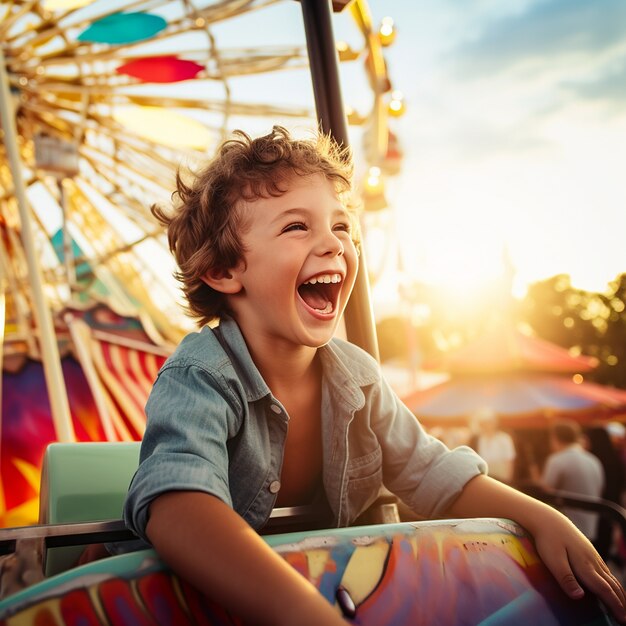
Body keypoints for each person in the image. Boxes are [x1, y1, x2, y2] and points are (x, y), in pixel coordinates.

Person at [123, 127, 626, 625]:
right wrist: (304, 611)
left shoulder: (357, 377)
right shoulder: (202, 375)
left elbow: (433, 473)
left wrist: (544, 518)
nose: (333, 244)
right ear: (224, 271)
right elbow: (177, 504)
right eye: (297, 227)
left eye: (342, 227)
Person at [542, 420, 605, 541]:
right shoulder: (594, 460)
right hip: (590, 528)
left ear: (554, 437)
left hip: (566, 530)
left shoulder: (557, 460)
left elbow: (546, 492)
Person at [472, 408, 516, 483]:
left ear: (495, 423)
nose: (487, 425)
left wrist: (508, 480)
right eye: (485, 423)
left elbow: (510, 460)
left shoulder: (504, 438)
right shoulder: (479, 439)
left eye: (489, 422)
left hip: (501, 475)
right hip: (486, 474)